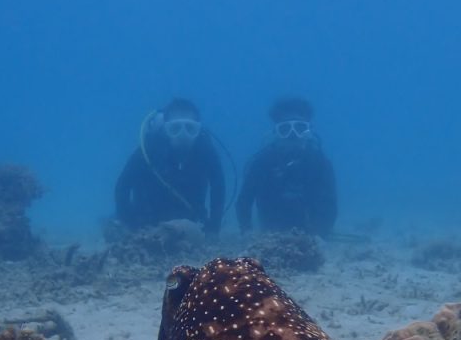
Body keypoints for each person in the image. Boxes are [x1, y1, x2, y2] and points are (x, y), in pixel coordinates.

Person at [115, 98, 225, 235]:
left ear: (198, 129)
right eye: (175, 128)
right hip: (147, 224)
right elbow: (122, 186)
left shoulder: (206, 150)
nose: (183, 135)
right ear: (165, 129)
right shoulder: (150, 148)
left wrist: (214, 228)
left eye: (190, 128)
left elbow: (218, 187)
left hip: (191, 222)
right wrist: (129, 224)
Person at [236, 98, 337, 236]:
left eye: (300, 128)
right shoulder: (262, 162)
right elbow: (244, 200)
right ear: (276, 133)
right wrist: (246, 230)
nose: (292, 135)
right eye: (285, 129)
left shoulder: (320, 163)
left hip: (311, 233)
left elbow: (330, 203)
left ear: (308, 131)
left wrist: (321, 233)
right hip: (270, 231)